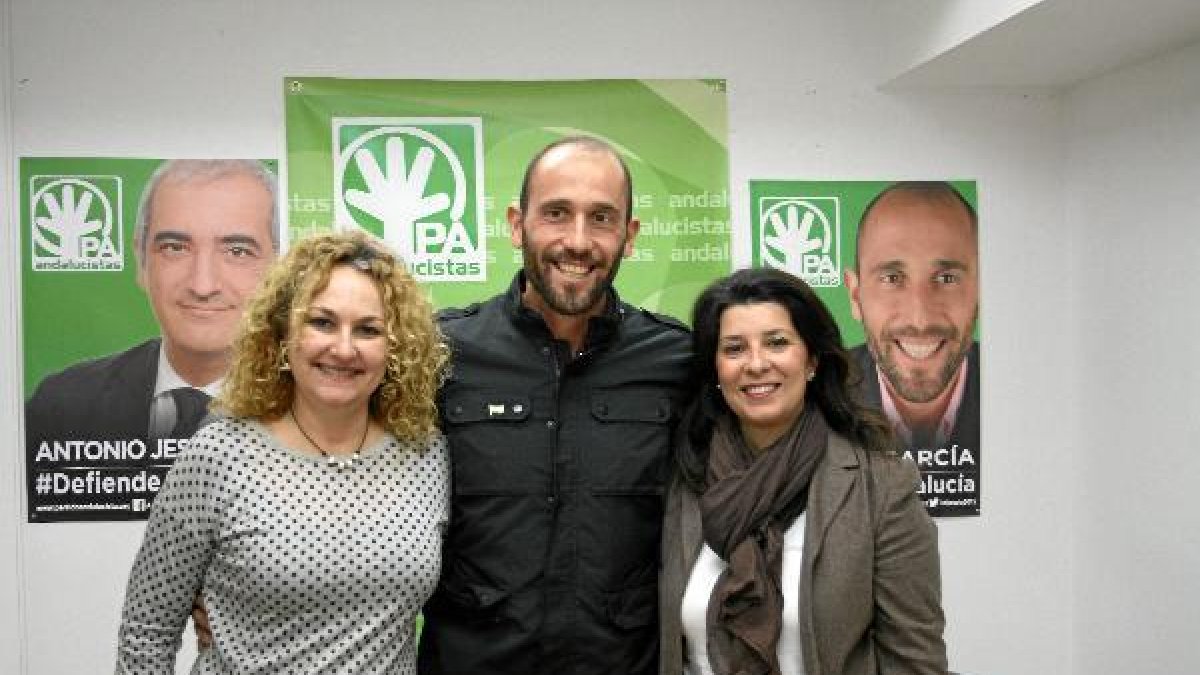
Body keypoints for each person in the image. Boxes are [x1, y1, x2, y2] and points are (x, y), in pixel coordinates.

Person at [416, 136, 692, 675]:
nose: (579, 241)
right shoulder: (440, 353)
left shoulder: (679, 359)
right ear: (518, 225)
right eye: (557, 214)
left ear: (629, 236)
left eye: (602, 218)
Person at [115, 231, 450, 674]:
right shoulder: (218, 456)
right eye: (322, 323)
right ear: (283, 333)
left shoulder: (426, 456)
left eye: (368, 329)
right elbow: (147, 632)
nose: (343, 348)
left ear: (395, 348)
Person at [660, 268, 947, 675]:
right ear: (715, 370)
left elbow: (915, 660)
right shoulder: (685, 479)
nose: (756, 364)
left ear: (811, 359)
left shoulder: (880, 485)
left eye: (777, 343)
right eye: (735, 348)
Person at [26, 159, 278, 449]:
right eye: (174, 248)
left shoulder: (318, 409)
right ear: (141, 261)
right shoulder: (60, 405)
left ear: (280, 266)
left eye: (237, 251)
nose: (203, 285)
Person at [843, 181, 979, 453]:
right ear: (856, 296)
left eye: (946, 278)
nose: (920, 319)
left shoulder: (1026, 396)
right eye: (892, 278)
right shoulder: (813, 401)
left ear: (980, 291)